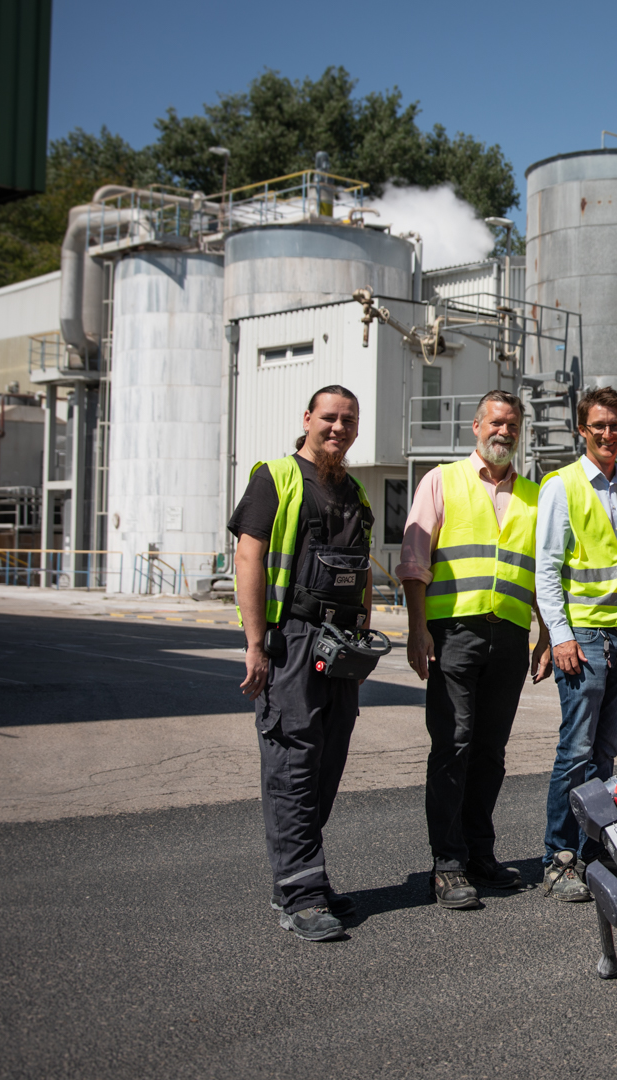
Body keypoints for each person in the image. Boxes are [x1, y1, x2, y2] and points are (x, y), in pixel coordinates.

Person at [230, 385, 375, 943]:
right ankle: (302, 894)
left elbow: (360, 569)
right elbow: (250, 555)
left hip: (340, 646)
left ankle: (296, 875)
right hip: (291, 638)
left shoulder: (356, 493)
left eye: (349, 420)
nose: (338, 428)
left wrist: (363, 631)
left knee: (325, 765)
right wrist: (255, 642)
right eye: (330, 418)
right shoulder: (277, 476)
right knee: (293, 764)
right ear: (308, 418)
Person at [396, 390, 550, 912]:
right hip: (452, 632)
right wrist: (418, 630)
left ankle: (480, 854)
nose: (503, 432)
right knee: (454, 744)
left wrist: (546, 635)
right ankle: (447, 864)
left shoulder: (534, 494)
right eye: (495, 423)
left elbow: (543, 575)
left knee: (490, 751)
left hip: (508, 634)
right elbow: (414, 562)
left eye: (512, 425)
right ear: (476, 426)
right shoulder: (442, 480)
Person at [534, 385, 617, 902]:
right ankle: (558, 857)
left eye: (616, 426)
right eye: (598, 426)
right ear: (581, 431)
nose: (608, 434)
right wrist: (560, 636)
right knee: (576, 750)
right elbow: (546, 568)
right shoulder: (561, 485)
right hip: (584, 638)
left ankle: (593, 851)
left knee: (606, 753)